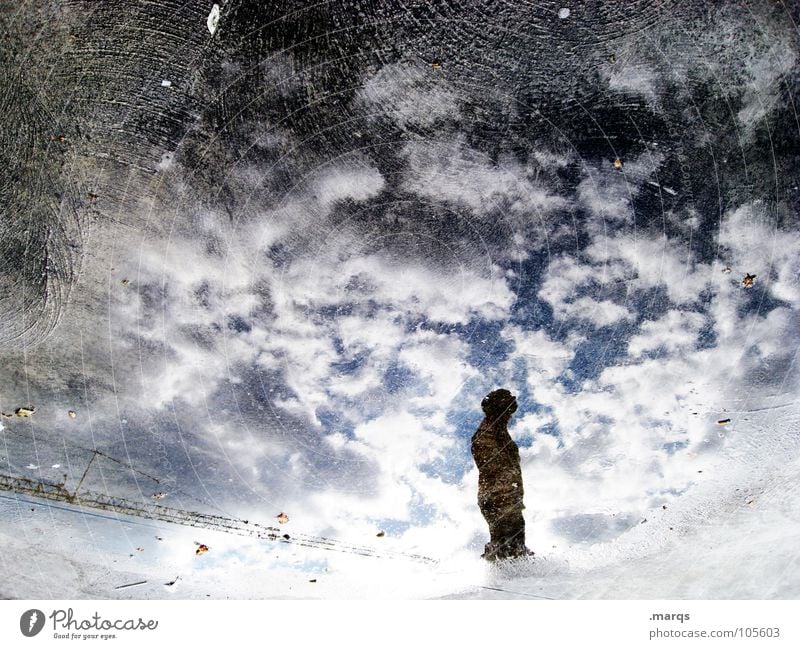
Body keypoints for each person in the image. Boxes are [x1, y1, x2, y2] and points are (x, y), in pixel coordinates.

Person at [471, 388, 532, 560]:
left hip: (506, 496)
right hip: (499, 497)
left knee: (513, 542)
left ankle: (510, 570)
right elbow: (494, 467)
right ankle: (505, 576)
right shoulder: (486, 433)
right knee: (509, 546)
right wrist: (505, 493)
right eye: (507, 410)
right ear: (497, 409)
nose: (510, 416)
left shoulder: (499, 432)